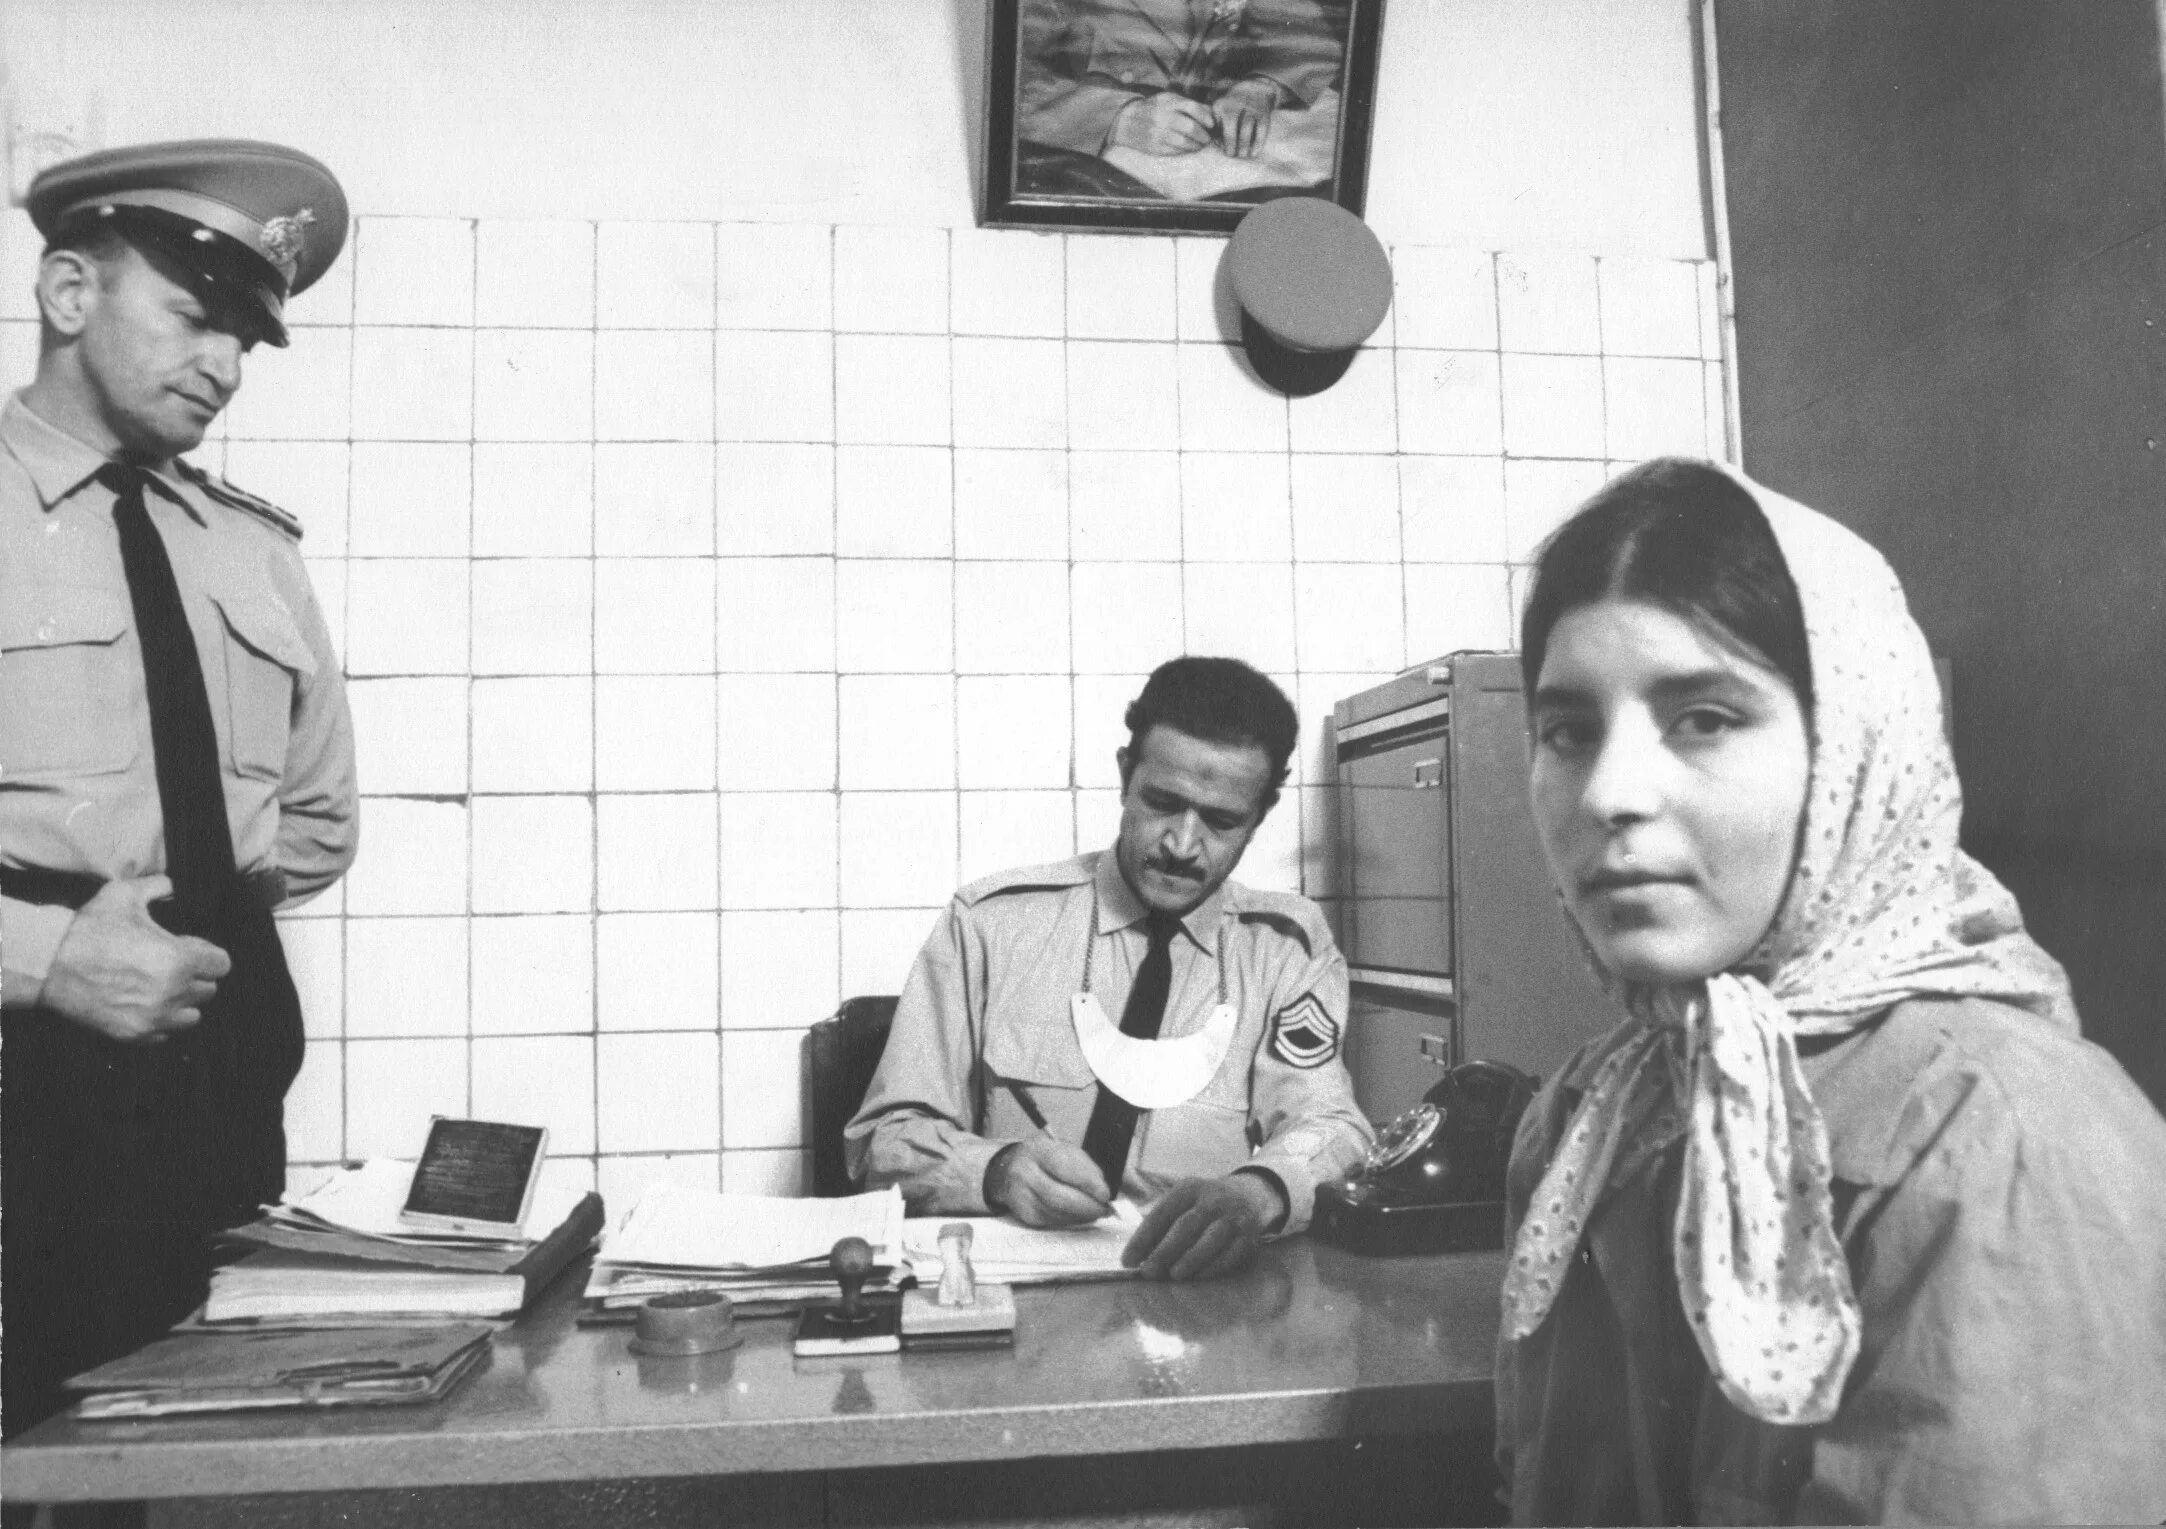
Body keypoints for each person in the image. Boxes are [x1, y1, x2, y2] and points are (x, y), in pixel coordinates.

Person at [1494, 457, 2166, 1523]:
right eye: (1568, 730)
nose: (1610, 794)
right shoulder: (1590, 1110)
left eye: (1704, 717)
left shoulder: (2000, 1138)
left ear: (1857, 752)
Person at [1, 140, 358, 1440]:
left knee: (184, 1464)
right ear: (68, 291)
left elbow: (317, 824)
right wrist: (43, 954)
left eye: (245, 341)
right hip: (18, 1088)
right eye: (193, 317)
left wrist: (200, 909)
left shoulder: (249, 549)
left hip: (213, 1109)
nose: (222, 364)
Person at [846, 656, 1372, 1281]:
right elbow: (883, 1139)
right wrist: (997, 1170)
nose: (1181, 843)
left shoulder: (1287, 947)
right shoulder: (990, 926)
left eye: (1221, 820)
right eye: (1162, 802)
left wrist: (1258, 1193)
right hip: (1018, 1301)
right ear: (1125, 776)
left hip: (1194, 1298)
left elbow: (1332, 1126)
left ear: (1262, 814)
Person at [1018, 0, 1342, 163]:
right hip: (1083, 178)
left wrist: (1262, 87)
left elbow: (1312, 39)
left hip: (1207, 177)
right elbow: (1003, 80)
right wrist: (1118, 117)